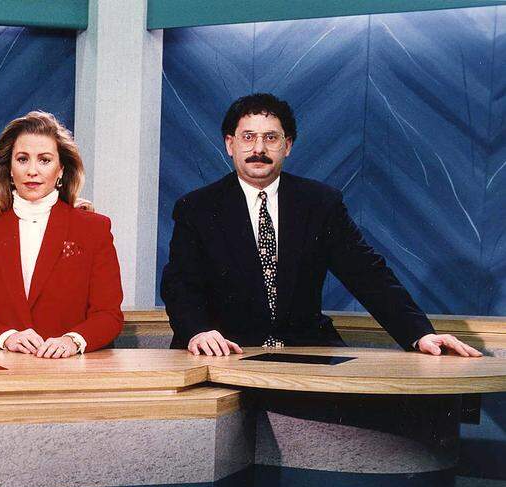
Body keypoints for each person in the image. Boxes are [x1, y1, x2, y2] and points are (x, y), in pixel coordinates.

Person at [160, 92, 480, 358]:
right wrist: (197, 331)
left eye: (271, 138)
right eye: (248, 137)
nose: (258, 149)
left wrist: (419, 334)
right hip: (228, 351)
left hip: (305, 347)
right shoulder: (197, 208)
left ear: (288, 146)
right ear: (230, 144)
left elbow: (368, 274)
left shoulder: (320, 203)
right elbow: (180, 285)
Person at [0, 111, 123, 358]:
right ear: (9, 169)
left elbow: (109, 315)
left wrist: (72, 341)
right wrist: (7, 337)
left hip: (71, 375)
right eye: (22, 159)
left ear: (61, 169)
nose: (32, 170)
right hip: (2, 375)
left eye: (44, 160)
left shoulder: (94, 229)